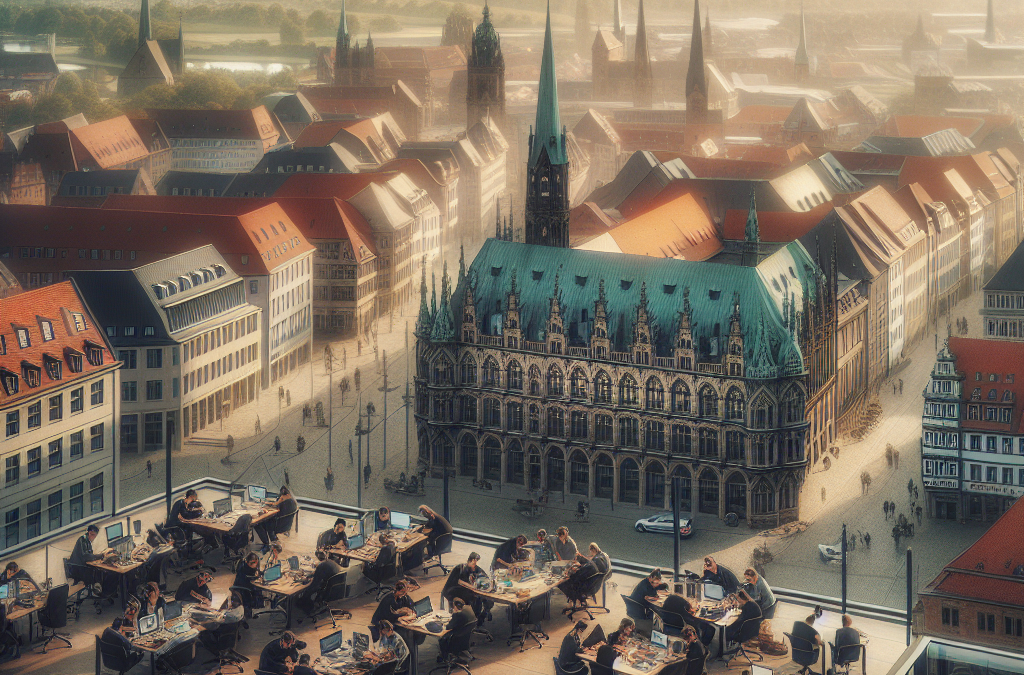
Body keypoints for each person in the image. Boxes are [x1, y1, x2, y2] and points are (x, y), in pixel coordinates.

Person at [296, 550, 342, 615]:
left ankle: (308, 610)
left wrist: (304, 591)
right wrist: (313, 575)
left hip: (327, 592)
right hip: (336, 590)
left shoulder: (321, 566)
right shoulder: (331, 563)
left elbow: (315, 585)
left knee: (305, 595)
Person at [438, 598, 476, 662]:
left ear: (455, 606)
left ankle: (445, 658)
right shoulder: (467, 609)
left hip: (456, 639)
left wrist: (443, 623)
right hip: (465, 636)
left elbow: (448, 627)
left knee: (442, 639)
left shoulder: (458, 615)